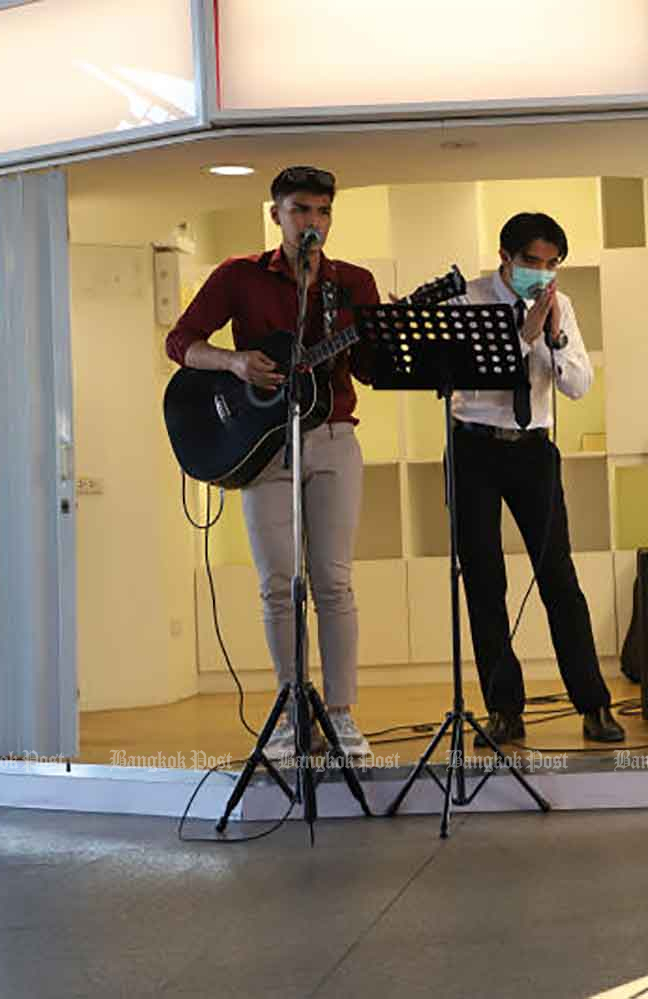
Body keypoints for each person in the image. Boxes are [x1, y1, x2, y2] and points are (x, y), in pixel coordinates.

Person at [166, 166, 378, 761]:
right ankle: (291, 711)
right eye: (300, 210)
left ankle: (339, 714)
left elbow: (368, 370)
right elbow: (180, 342)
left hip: (333, 435)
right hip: (261, 446)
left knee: (333, 581)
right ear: (276, 215)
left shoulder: (353, 283)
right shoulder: (240, 276)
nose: (312, 222)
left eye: (322, 212)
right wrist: (234, 364)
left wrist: (374, 341)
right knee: (277, 584)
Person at [451, 212, 624, 745]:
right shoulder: (467, 299)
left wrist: (550, 338)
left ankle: (594, 706)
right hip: (474, 446)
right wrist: (522, 339)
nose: (542, 275)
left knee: (559, 578)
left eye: (552, 265)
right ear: (505, 257)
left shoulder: (560, 304)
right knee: (484, 582)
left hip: (534, 450)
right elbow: (467, 380)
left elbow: (577, 385)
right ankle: (504, 710)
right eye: (532, 262)